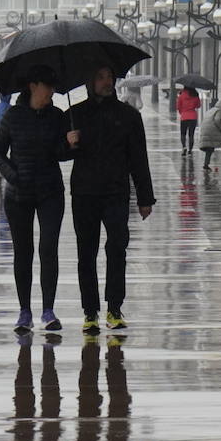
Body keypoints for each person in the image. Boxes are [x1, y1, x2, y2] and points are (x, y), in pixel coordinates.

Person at [66, 65, 156, 333]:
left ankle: (114, 308)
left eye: (110, 77)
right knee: (86, 254)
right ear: (90, 80)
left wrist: (145, 197)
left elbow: (139, 158)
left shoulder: (128, 116)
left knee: (117, 249)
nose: (107, 82)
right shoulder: (75, 114)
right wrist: (68, 143)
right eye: (100, 76)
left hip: (116, 193)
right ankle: (90, 312)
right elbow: (58, 153)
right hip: (84, 194)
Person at [0, 65, 72, 332]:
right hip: (18, 196)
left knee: (48, 248)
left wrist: (71, 144)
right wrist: (13, 176)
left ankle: (48, 310)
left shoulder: (58, 116)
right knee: (23, 252)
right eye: (47, 86)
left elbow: (61, 154)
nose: (52, 92)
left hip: (50, 192)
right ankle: (24, 311)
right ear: (33, 86)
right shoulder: (13, 116)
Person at [176, 85, 201, 153]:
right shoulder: (195, 95)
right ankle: (190, 149)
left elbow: (178, 106)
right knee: (191, 135)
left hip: (184, 116)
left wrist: (182, 113)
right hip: (193, 117)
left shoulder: (181, 95)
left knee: (183, 134)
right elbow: (198, 105)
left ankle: (184, 147)